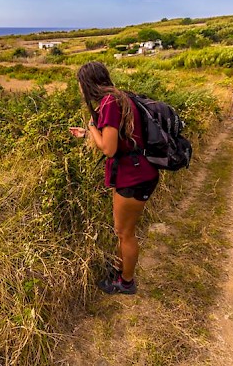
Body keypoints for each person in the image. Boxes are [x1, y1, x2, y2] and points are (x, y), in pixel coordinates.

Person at [69, 61, 159, 295]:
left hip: (134, 177)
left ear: (87, 83)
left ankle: (126, 282)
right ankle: (120, 271)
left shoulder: (109, 103)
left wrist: (91, 127)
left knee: (125, 233)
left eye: (80, 83)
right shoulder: (118, 97)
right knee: (122, 231)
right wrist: (88, 132)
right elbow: (119, 138)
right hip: (139, 171)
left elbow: (109, 149)